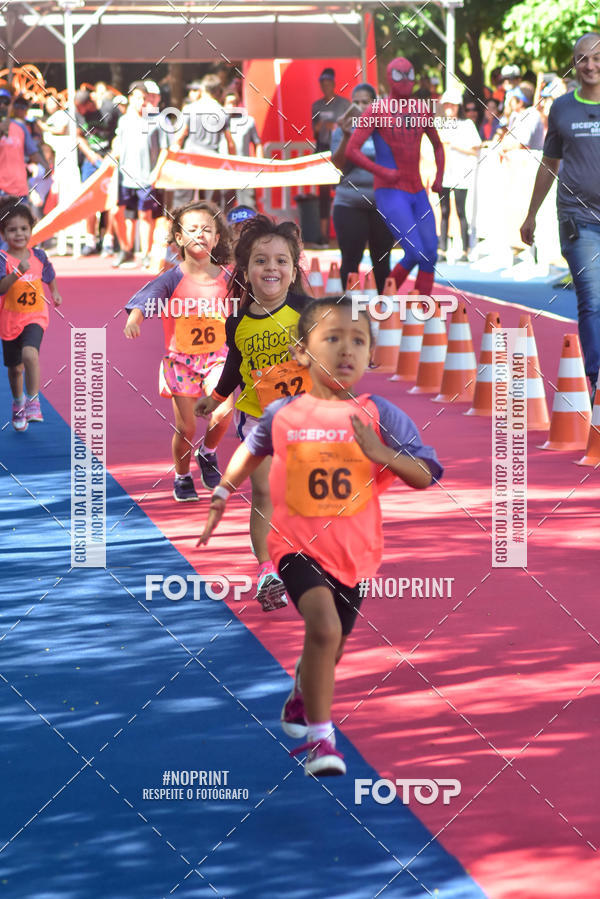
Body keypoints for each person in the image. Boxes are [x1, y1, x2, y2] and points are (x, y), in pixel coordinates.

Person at [197, 295, 443, 776]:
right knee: (324, 629)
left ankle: (300, 696)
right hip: (294, 545)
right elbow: (252, 447)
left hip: (355, 553)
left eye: (358, 341)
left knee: (332, 646)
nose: (346, 350)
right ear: (302, 351)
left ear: (371, 355)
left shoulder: (381, 415)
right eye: (332, 339)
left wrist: (380, 452)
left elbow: (425, 473)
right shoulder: (285, 413)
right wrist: (224, 491)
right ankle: (321, 742)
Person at [195, 215, 310, 612]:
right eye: (261, 261)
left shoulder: (309, 313)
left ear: (294, 271)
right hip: (257, 420)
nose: (271, 268)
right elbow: (235, 364)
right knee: (263, 490)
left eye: (281, 261)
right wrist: (215, 397)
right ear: (246, 270)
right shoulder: (238, 322)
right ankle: (267, 572)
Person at [124, 201, 234, 500]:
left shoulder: (228, 276)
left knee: (224, 412)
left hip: (218, 358)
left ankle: (208, 452)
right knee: (185, 427)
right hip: (180, 361)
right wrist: (135, 317)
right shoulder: (172, 277)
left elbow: (250, 303)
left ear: (217, 238)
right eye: (192, 229)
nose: (200, 234)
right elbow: (147, 297)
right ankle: (182, 475)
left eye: (207, 229)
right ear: (179, 238)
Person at [521, 32, 600, 399]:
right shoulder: (562, 108)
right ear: (574, 63)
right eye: (583, 59)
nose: (590, 65)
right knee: (593, 298)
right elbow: (549, 164)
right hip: (577, 219)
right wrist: (530, 215)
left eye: (597, 58)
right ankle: (598, 378)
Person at [345, 57, 444, 296]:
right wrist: (382, 172)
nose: (406, 81)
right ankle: (384, 304)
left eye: (409, 75)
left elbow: (438, 145)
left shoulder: (421, 109)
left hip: (417, 190)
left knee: (429, 253)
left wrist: (440, 177)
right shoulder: (377, 110)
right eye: (400, 75)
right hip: (390, 191)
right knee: (415, 252)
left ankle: (418, 311)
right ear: (390, 78)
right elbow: (352, 150)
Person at [0, 200, 62, 430]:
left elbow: (49, 274)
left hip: (35, 316)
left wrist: (54, 292)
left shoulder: (39, 255)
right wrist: (17, 272)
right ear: (3, 233)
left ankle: (33, 401)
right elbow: (1, 288)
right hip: (9, 319)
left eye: (24, 228)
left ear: (31, 230)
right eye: (12, 229)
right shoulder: (3, 259)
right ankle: (18, 403)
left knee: (30, 354)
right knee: (15, 369)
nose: (19, 234)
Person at [330, 82, 395, 294]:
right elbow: (338, 164)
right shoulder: (342, 130)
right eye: (355, 102)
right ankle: (346, 310)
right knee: (350, 259)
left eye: (364, 102)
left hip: (383, 203)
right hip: (349, 202)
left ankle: (385, 313)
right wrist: (348, 135)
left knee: (382, 261)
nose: (359, 106)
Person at [113, 81, 167, 268]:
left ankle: (146, 252)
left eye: (144, 98)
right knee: (126, 215)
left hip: (146, 177)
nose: (141, 102)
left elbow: (165, 150)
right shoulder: (124, 120)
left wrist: (156, 172)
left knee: (146, 216)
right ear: (130, 99)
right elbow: (118, 145)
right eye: (137, 98)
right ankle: (126, 250)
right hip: (125, 176)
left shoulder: (157, 120)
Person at [171, 74, 236, 209]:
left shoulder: (189, 109)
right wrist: (233, 163)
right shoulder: (222, 112)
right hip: (211, 162)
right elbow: (230, 142)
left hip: (189, 160)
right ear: (218, 91)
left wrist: (171, 155)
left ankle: (181, 228)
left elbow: (180, 135)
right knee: (209, 206)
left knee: (183, 204)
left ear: (203, 89)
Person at [436, 88, 481, 262]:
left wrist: (454, 145)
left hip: (461, 174)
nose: (449, 108)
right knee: (444, 210)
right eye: (446, 104)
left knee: (461, 211)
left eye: (452, 105)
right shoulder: (440, 124)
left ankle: (464, 249)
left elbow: (475, 150)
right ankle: (442, 249)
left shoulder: (467, 125)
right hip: (445, 173)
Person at [75, 87, 120, 255]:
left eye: (81, 107)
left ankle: (108, 240)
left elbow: (119, 133)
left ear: (89, 103)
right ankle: (90, 241)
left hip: (110, 160)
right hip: (90, 162)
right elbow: (78, 135)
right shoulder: (78, 113)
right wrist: (91, 155)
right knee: (89, 200)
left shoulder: (109, 108)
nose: (79, 111)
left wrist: (113, 155)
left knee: (110, 201)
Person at [311, 68, 350, 246]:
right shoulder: (317, 106)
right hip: (323, 151)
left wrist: (334, 125)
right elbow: (315, 131)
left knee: (344, 190)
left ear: (334, 85)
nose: (326, 88)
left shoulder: (344, 104)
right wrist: (322, 126)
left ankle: (345, 231)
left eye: (329, 84)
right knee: (324, 195)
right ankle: (323, 234)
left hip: (340, 151)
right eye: (323, 85)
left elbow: (349, 127)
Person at [0, 89, 46, 204]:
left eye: (6, 102)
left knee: (21, 221)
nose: (2, 105)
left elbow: (33, 153)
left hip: (20, 190)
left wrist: (47, 168)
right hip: (1, 190)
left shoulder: (20, 127)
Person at [221, 91, 264, 209]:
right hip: (224, 170)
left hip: (244, 170)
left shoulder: (248, 121)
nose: (232, 106)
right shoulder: (217, 122)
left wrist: (260, 164)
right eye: (229, 103)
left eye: (235, 103)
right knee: (224, 206)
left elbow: (257, 143)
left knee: (248, 206)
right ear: (223, 104)